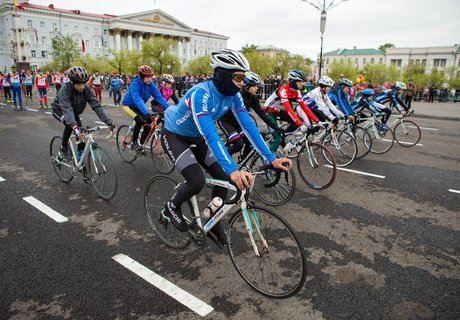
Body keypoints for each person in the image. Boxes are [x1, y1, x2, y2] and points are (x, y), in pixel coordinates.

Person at [160, 49, 291, 244]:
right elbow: (210, 134)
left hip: (196, 136)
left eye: (244, 78)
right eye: (238, 77)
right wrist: (233, 169)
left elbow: (248, 126)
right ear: (223, 75)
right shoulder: (200, 94)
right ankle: (172, 206)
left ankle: (213, 220)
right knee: (196, 181)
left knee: (223, 179)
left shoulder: (235, 96)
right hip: (175, 135)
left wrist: (271, 157)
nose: (242, 83)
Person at [51, 66, 115, 163]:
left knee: (82, 139)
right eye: (79, 84)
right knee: (70, 124)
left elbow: (96, 105)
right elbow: (67, 109)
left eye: (83, 83)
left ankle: (80, 164)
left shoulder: (87, 90)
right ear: (72, 83)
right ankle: (63, 147)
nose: (81, 87)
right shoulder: (65, 89)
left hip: (73, 112)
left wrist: (108, 121)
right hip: (60, 110)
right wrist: (75, 127)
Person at [217, 71, 282, 159]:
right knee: (238, 145)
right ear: (246, 86)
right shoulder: (238, 96)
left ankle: (243, 162)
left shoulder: (253, 98)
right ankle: (219, 160)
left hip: (238, 123)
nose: (257, 88)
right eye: (254, 86)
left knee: (250, 141)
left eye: (257, 86)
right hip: (226, 121)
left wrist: (275, 127)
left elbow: (262, 114)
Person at [263, 69, 319, 151]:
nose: (303, 84)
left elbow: (305, 108)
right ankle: (270, 160)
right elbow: (289, 109)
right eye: (300, 82)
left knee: (298, 121)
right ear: (293, 81)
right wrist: (300, 125)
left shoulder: (297, 92)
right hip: (269, 111)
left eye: (303, 81)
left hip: (278, 111)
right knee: (277, 140)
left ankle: (283, 136)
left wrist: (317, 121)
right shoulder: (283, 90)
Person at [121, 65, 169, 152]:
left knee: (148, 126)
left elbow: (159, 97)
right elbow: (137, 99)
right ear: (142, 77)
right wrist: (146, 113)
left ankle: (141, 145)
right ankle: (134, 143)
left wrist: (169, 109)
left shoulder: (151, 85)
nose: (150, 79)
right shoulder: (135, 84)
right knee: (139, 120)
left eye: (151, 76)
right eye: (147, 77)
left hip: (139, 107)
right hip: (128, 105)